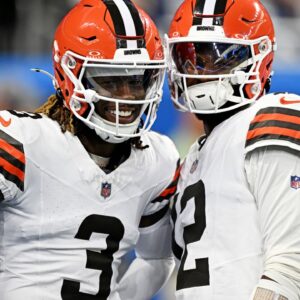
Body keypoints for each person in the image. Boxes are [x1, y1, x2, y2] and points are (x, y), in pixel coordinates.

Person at [0, 0, 180, 299]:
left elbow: (156, 258)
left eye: (136, 80)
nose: (127, 96)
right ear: (69, 75)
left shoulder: (157, 161)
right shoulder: (21, 143)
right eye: (109, 79)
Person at [166, 0, 300, 299]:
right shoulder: (191, 162)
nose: (198, 70)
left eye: (218, 57)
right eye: (189, 57)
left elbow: (291, 267)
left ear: (258, 57)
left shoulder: (272, 119)